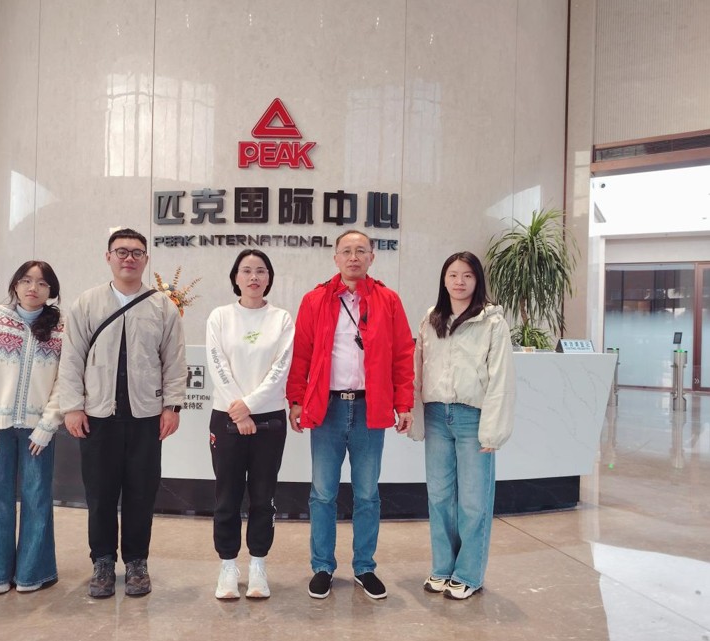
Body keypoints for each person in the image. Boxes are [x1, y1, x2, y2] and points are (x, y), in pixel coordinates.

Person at [287, 230, 415, 600]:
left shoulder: (388, 300)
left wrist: (404, 403)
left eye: (361, 251)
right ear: (336, 258)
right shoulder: (315, 300)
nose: (354, 257)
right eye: (347, 251)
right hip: (326, 408)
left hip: (369, 407)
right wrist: (296, 399)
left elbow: (402, 355)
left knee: (368, 494)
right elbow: (301, 353)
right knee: (322, 493)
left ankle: (364, 567)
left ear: (372, 257)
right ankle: (322, 566)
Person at [58, 228, 186, 599]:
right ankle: (102, 561)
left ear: (146, 259)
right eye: (121, 251)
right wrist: (73, 406)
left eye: (136, 252)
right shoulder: (87, 303)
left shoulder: (162, 306)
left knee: (141, 492)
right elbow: (72, 358)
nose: (129, 258)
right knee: (99, 493)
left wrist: (172, 406)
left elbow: (174, 360)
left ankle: (136, 562)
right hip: (98, 415)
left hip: (146, 416)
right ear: (108, 257)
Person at [411, 251, 515, 600]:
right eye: (453, 275)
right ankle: (442, 567)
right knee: (439, 496)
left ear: (477, 280)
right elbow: (418, 368)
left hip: (473, 418)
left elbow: (501, 377)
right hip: (437, 415)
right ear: (444, 280)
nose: (459, 281)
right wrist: (415, 414)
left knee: (473, 500)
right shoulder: (431, 319)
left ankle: (469, 573)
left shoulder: (492, 321)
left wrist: (493, 429)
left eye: (467, 275)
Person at [0, 260, 64, 595]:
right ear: (15, 285)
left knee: (37, 499)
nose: (33, 288)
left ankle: (33, 572)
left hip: (38, 431)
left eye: (42, 283)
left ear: (51, 291)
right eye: (26, 281)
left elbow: (64, 382)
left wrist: (48, 425)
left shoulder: (61, 330)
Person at [206, 249, 294, 600]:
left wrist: (250, 407)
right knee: (226, 495)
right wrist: (239, 412)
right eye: (246, 270)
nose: (254, 277)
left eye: (261, 271)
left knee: (263, 496)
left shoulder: (281, 318)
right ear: (236, 277)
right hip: (226, 417)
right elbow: (216, 363)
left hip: (269, 419)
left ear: (269, 278)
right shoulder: (220, 316)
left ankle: (258, 563)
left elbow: (281, 367)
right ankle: (228, 565)